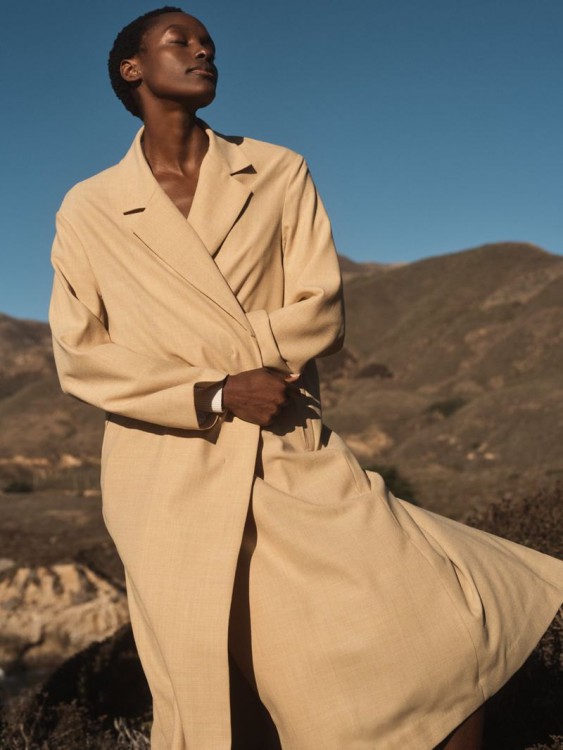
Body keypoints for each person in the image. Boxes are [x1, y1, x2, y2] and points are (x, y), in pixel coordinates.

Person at [49, 7, 563, 750]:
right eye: (179, 41)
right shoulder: (90, 207)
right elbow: (80, 354)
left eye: (208, 43)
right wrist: (216, 390)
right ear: (133, 68)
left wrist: (247, 367)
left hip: (286, 439)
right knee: (227, 693)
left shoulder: (277, 169)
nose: (202, 51)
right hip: (165, 469)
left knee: (429, 628)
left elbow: (320, 306)